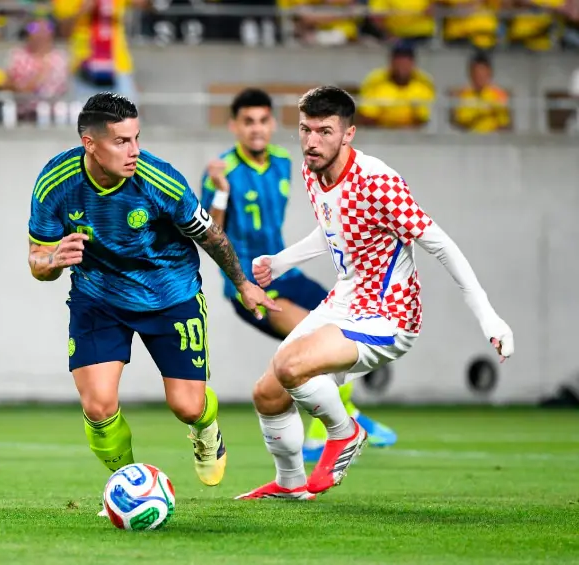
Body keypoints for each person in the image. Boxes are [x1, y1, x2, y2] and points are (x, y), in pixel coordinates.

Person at [236, 86, 514, 501]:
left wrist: (488, 315)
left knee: (291, 367)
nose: (312, 141)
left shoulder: (377, 181)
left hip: (389, 315)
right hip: (344, 301)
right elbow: (334, 227)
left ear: (348, 134)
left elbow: (440, 245)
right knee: (267, 392)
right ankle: (290, 484)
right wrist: (281, 262)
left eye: (325, 132)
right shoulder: (313, 169)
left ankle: (345, 432)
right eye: (306, 129)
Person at [27, 92, 278, 495]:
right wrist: (54, 260)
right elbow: (37, 259)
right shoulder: (56, 183)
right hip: (98, 297)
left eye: (136, 138)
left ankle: (205, 427)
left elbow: (210, 236)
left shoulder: (160, 180)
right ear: (90, 144)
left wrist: (243, 283)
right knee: (98, 406)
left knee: (187, 406)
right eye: (121, 141)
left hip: (170, 294)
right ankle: (128, 487)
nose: (134, 151)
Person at [200, 87, 396, 464]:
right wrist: (221, 192)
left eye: (263, 120)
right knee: (315, 346)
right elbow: (212, 233)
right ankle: (325, 434)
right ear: (234, 126)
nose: (256, 128)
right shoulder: (222, 170)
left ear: (273, 124)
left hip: (285, 274)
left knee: (351, 324)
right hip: (250, 286)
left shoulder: (284, 162)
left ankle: (347, 416)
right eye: (248, 122)